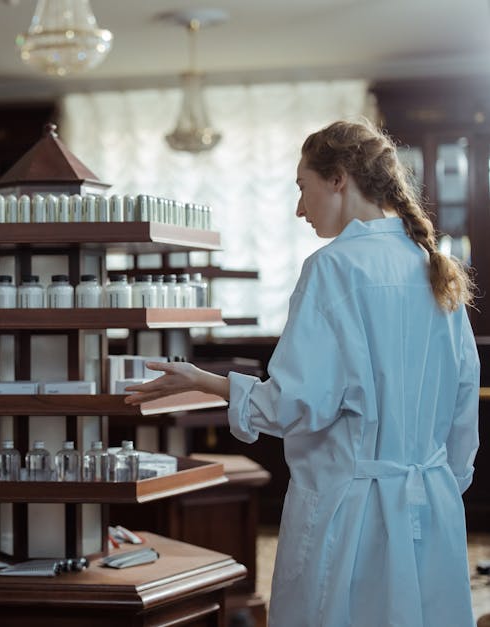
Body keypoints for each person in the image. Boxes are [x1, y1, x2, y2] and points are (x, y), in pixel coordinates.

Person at [125, 120, 479, 627]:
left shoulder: (333, 268)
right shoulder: (432, 268)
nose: (298, 208)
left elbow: (294, 403)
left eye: (301, 187)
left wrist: (207, 381)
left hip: (351, 511)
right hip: (431, 506)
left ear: (337, 178)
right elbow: (465, 405)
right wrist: (441, 486)